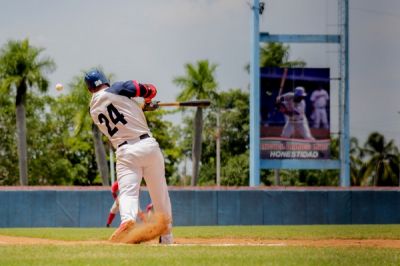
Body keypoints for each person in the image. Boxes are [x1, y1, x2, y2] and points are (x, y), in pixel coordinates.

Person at [84, 69, 173, 244]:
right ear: (105, 81)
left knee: (128, 193)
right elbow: (151, 89)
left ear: (89, 90)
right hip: (147, 145)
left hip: (124, 151)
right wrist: (147, 102)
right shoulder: (118, 88)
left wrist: (142, 108)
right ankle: (167, 237)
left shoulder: (93, 109)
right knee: (159, 194)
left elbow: (122, 116)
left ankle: (127, 220)